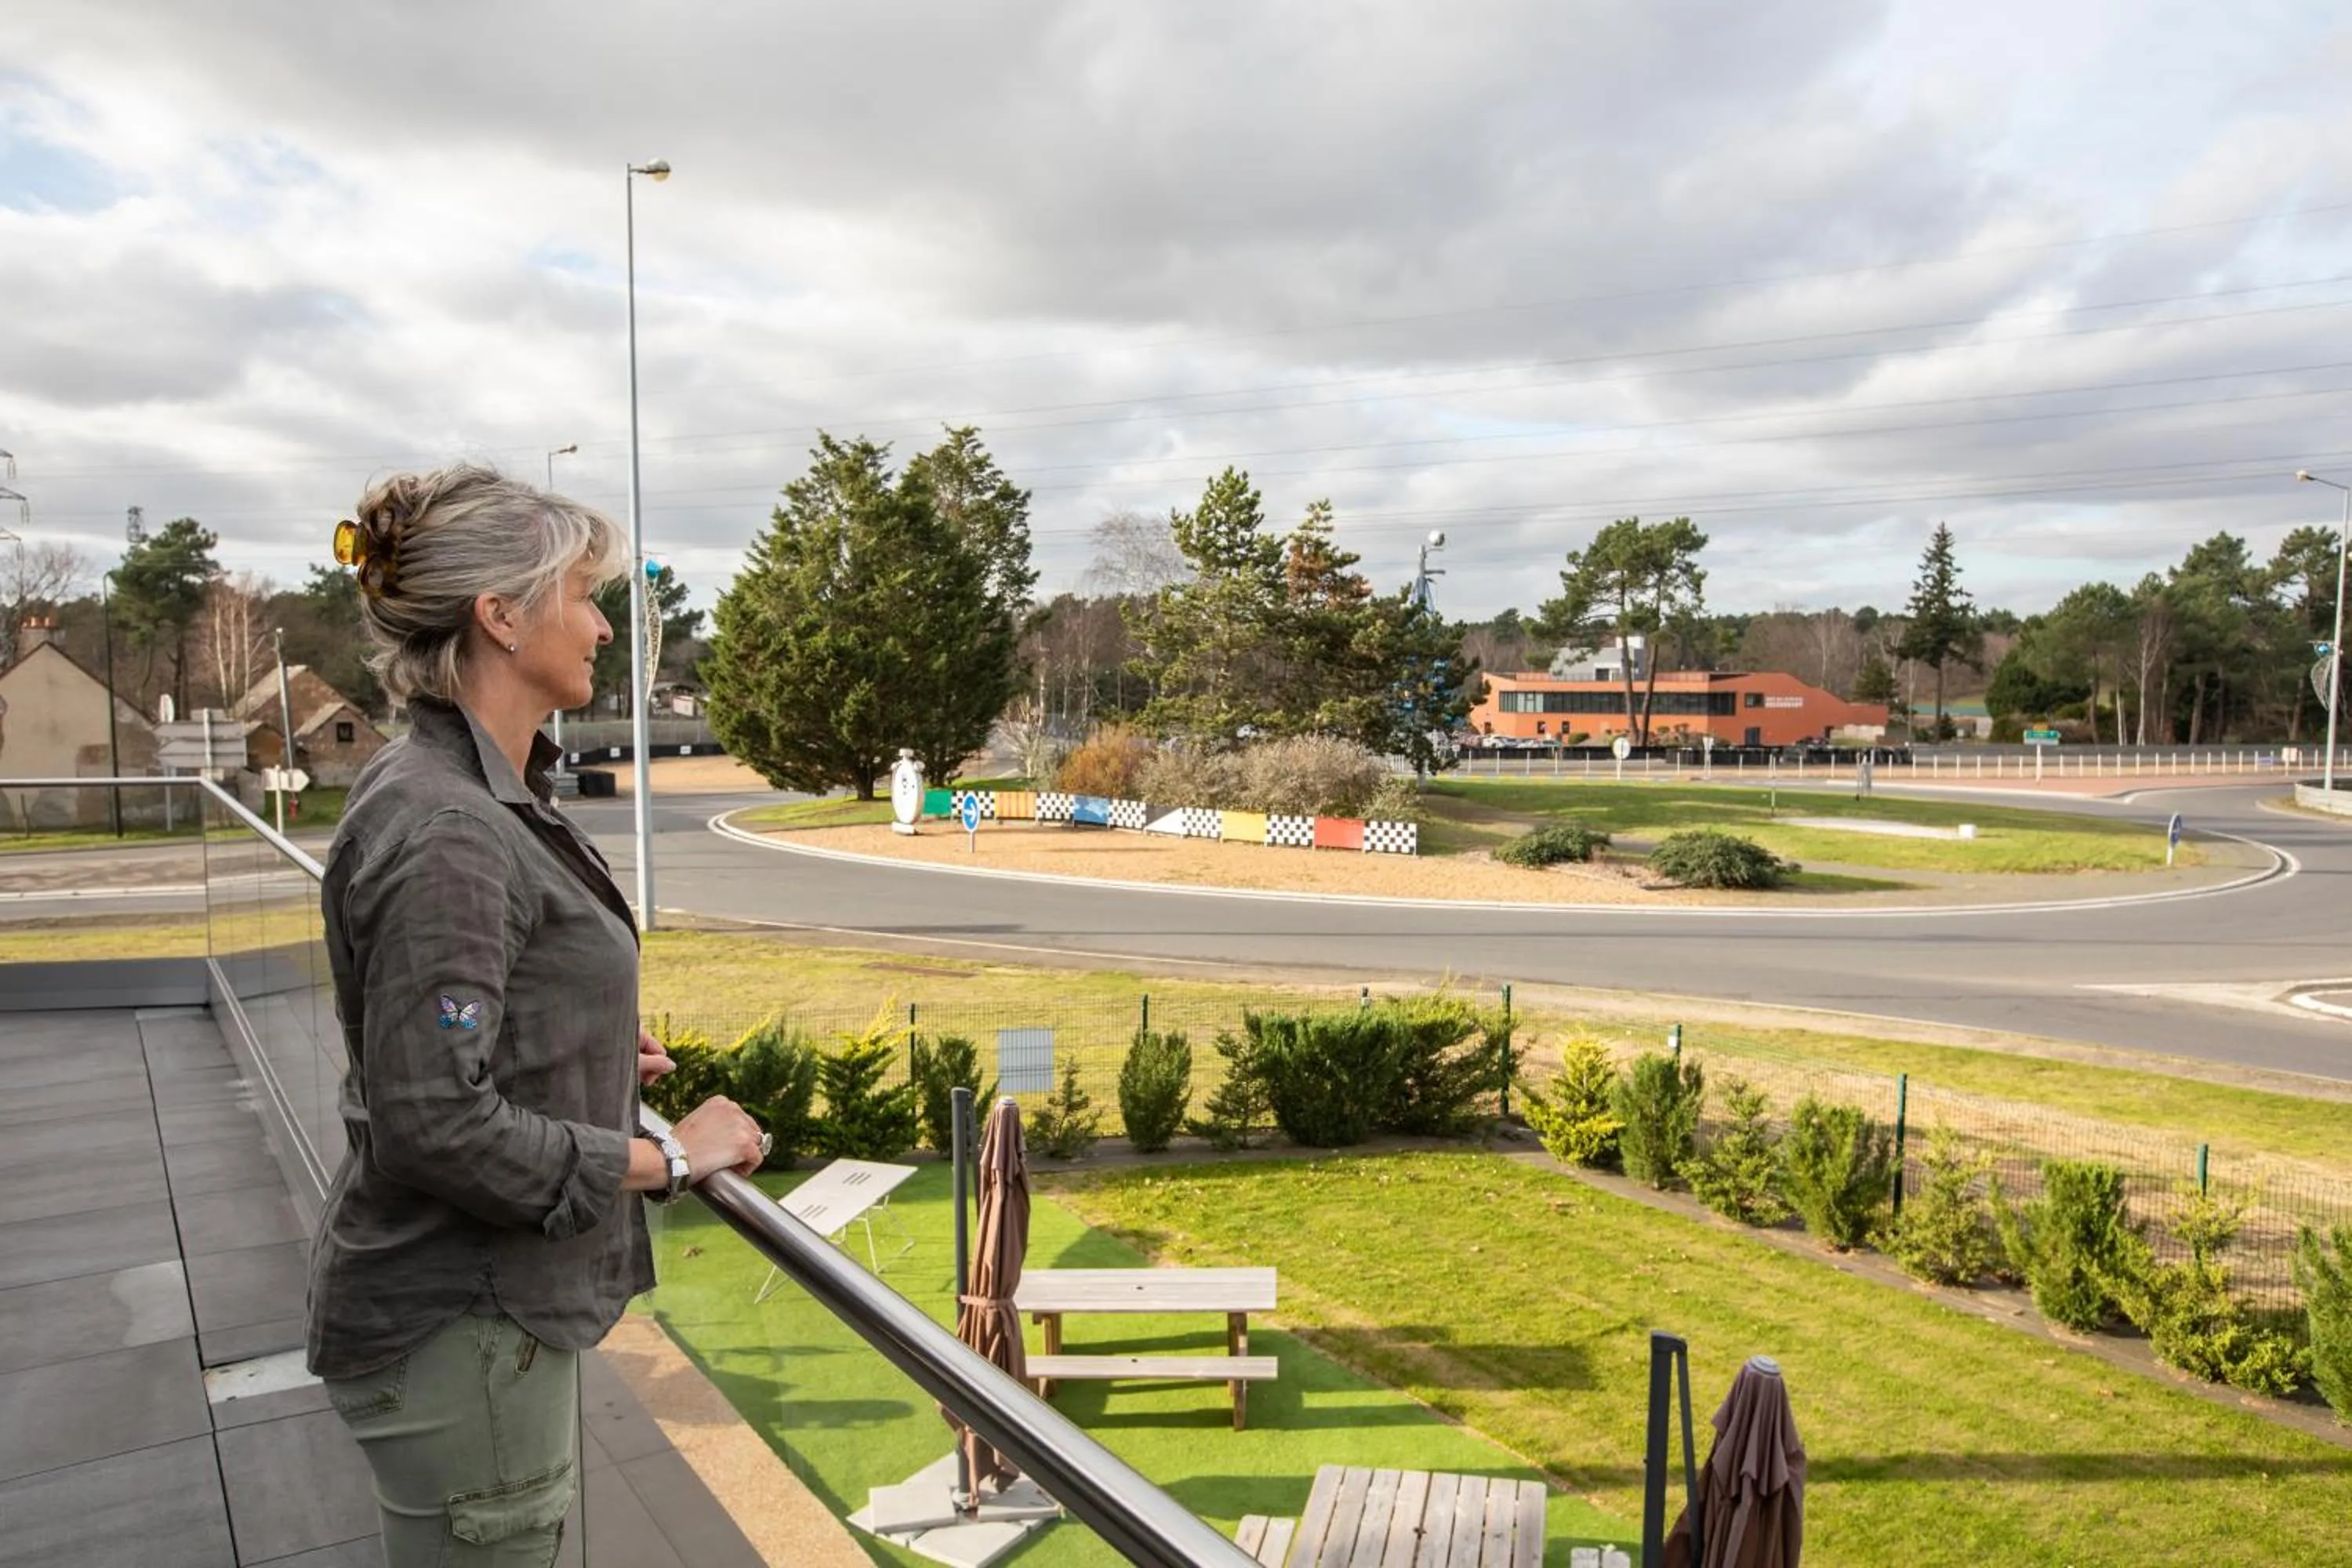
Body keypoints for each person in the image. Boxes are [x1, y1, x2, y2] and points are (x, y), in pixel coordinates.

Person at [306, 463, 764, 1566]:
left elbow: (456, 1019)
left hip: (468, 1336)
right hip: (463, 1335)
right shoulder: (452, 826)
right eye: (583, 595)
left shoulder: (464, 789)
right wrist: (671, 1160)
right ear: (501, 617)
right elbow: (434, 1121)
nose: (602, 627)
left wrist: (579, 1041)